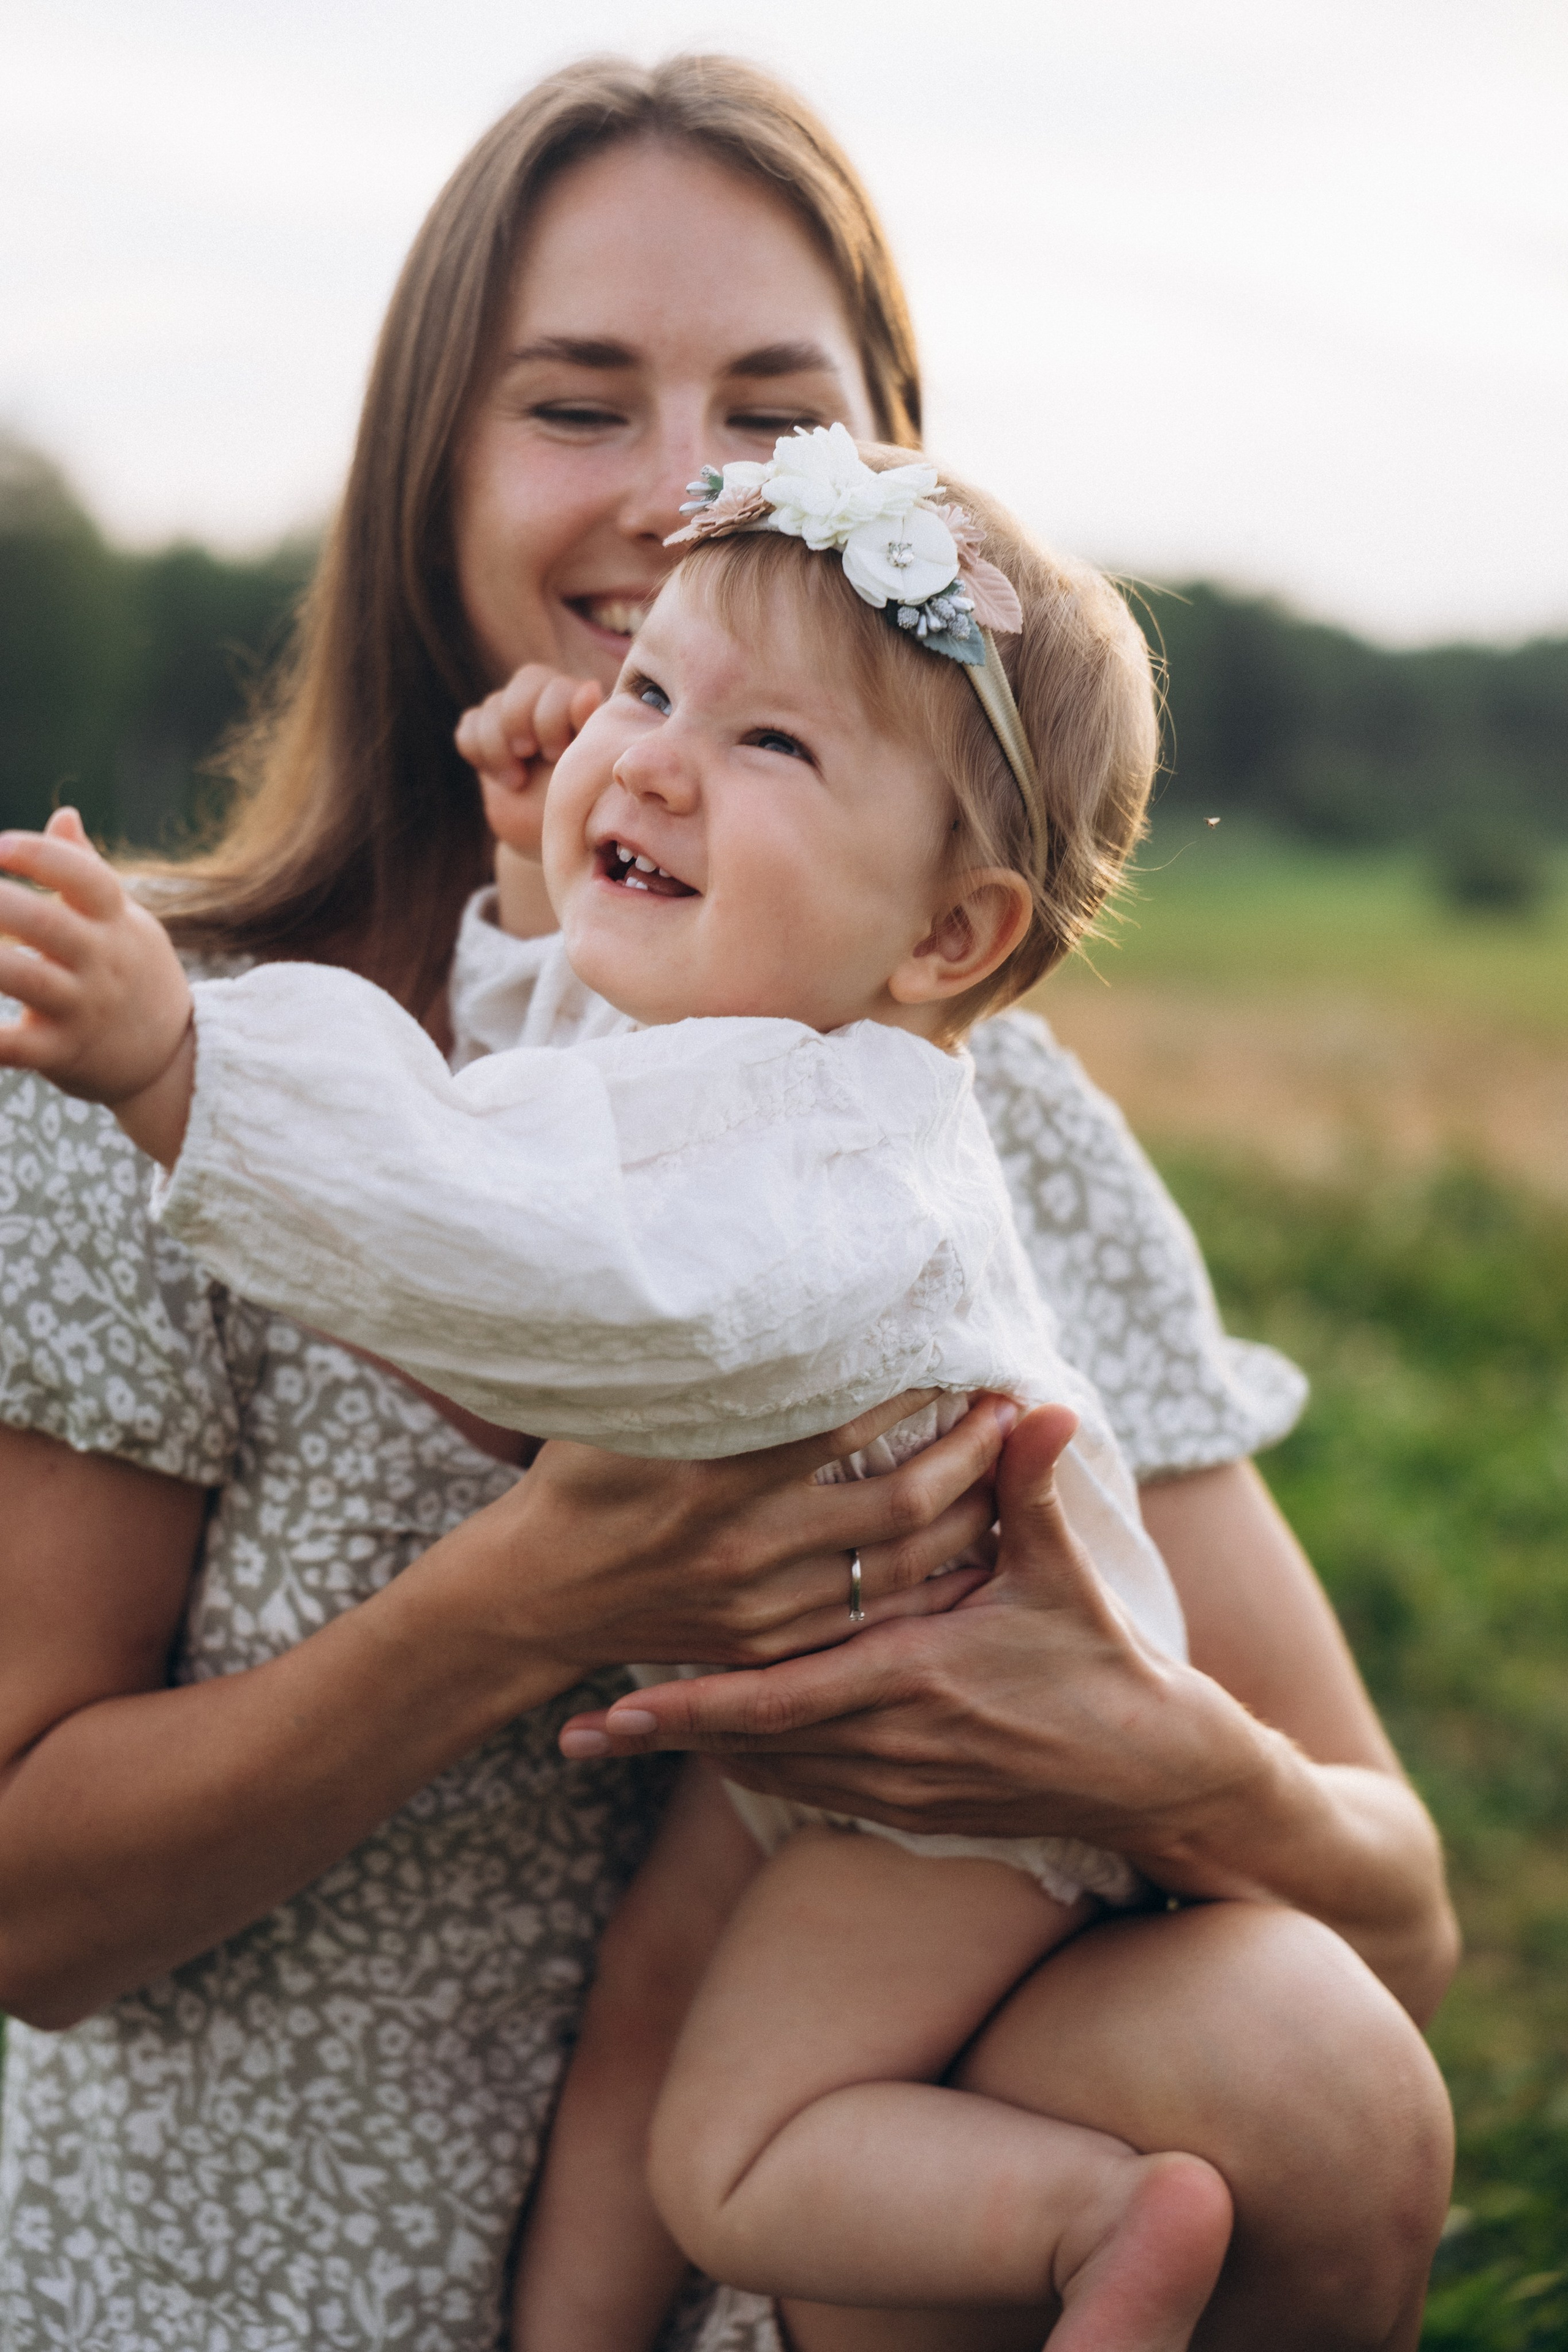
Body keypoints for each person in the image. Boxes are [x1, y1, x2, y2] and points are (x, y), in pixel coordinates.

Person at [0, 53, 1455, 2352]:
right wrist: (528, 1597)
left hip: (806, 2188)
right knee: (679, 2062)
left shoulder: (964, 1106)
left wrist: (1148, 1758)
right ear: (431, 474)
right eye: (580, 402)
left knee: (1301, 2062)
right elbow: (17, 1910)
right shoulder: (121, 1033)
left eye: (772, 418)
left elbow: (1397, 1899)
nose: (682, 491)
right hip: (228, 2274)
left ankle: (1039, 2246)